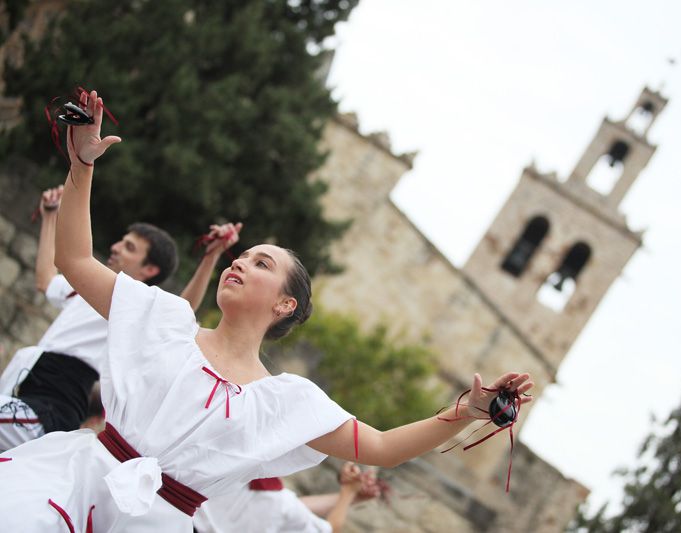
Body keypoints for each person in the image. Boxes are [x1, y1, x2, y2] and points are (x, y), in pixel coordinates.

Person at [0, 90, 533, 532]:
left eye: (260, 262)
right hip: (72, 483)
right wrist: (82, 168)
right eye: (242, 254)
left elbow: (384, 447)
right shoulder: (163, 320)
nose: (239, 262)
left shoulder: (287, 403)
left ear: (285, 303)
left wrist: (464, 412)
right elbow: (72, 259)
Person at [0, 183, 241, 452]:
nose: (115, 247)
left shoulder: (134, 306)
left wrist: (210, 258)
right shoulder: (88, 286)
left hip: (51, 405)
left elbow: (184, 306)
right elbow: (46, 281)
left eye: (128, 247)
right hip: (24, 390)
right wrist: (50, 217)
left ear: (149, 269)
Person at [193, 463, 379, 533]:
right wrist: (348, 494)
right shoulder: (280, 503)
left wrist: (351, 497)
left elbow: (297, 508)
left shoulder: (231, 466)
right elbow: (329, 529)